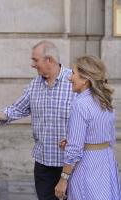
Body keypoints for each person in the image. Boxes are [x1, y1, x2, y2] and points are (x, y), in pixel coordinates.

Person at [0, 40, 76, 200]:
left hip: (70, 165)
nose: (32, 64)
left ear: (49, 60)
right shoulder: (34, 86)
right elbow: (17, 109)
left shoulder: (74, 82)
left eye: (35, 60)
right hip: (43, 164)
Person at [54, 55, 121, 200]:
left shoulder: (80, 104)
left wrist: (63, 179)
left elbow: (74, 149)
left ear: (85, 79)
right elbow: (108, 138)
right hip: (106, 163)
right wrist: (75, 142)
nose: (69, 78)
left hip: (88, 166)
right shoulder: (105, 101)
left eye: (73, 73)